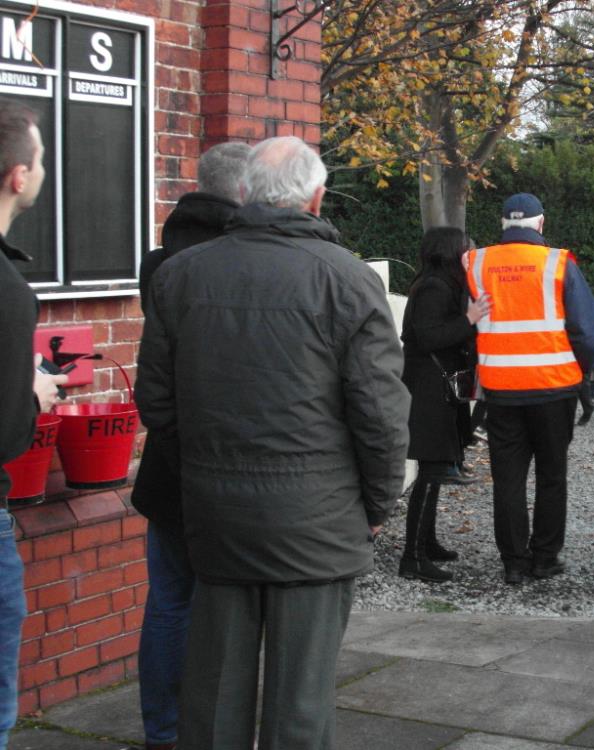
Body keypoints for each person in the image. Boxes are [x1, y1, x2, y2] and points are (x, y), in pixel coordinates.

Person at [135, 136, 410, 749]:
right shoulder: (349, 280)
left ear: (247, 195)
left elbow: (157, 403)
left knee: (214, 698)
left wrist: (204, 474)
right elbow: (381, 415)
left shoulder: (180, 274)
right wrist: (379, 503)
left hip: (218, 513)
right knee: (300, 706)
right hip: (318, 522)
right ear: (315, 199)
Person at [131, 141, 250, 750]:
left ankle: (164, 731)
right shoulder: (237, 261)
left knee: (168, 603)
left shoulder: (159, 262)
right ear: (244, 192)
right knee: (221, 612)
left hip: (165, 461)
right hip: (223, 461)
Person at [465, 193, 594, 585]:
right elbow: (587, 331)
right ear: (541, 224)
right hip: (553, 388)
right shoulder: (558, 263)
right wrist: (586, 379)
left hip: (501, 389)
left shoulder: (477, 264)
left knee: (508, 479)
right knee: (552, 475)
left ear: (503, 224)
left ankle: (513, 563)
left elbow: (470, 321)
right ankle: (544, 558)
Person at [0, 99, 66, 750]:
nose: (44, 169)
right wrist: (31, 392)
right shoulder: (10, 292)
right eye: (42, 158)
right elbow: (6, 435)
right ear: (19, 176)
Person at [399, 226, 489, 583]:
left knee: (433, 470)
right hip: (429, 390)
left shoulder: (437, 284)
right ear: (451, 251)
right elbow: (428, 336)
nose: (471, 255)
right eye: (466, 249)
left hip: (433, 388)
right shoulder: (435, 287)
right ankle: (413, 557)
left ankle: (427, 543)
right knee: (432, 470)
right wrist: (469, 319)